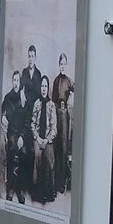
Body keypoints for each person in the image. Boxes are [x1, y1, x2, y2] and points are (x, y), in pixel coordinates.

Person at [0, 69, 27, 204]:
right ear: (12, 82)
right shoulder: (8, 98)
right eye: (14, 80)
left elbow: (27, 121)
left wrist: (22, 136)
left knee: (24, 153)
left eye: (18, 80)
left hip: (21, 134)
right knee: (11, 150)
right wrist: (4, 117)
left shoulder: (23, 99)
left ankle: (20, 189)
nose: (16, 83)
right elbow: (3, 117)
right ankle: (10, 189)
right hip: (11, 133)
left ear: (20, 82)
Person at [50, 53, 74, 195]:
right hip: (56, 115)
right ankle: (56, 181)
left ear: (66, 64)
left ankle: (63, 182)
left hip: (65, 116)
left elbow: (76, 91)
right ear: (58, 65)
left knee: (64, 148)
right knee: (57, 148)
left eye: (64, 63)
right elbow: (52, 102)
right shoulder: (55, 81)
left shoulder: (69, 81)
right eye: (61, 63)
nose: (62, 66)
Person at [29, 84, 57, 204]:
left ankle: (48, 191)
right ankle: (37, 192)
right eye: (42, 86)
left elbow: (54, 128)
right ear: (40, 88)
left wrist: (46, 140)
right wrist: (38, 138)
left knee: (49, 159)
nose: (44, 88)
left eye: (46, 86)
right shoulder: (36, 103)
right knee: (37, 157)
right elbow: (32, 124)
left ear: (48, 88)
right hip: (38, 139)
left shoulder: (51, 105)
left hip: (47, 140)